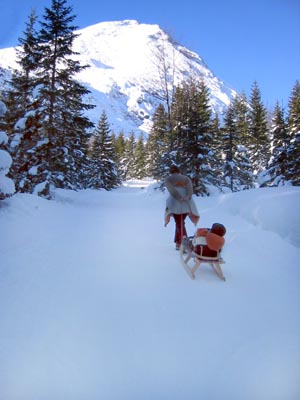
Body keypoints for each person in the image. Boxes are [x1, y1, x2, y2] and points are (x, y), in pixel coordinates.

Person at [164, 165, 200, 250]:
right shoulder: (185, 178)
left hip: (174, 203)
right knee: (180, 222)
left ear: (171, 172)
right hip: (186, 203)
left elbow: (171, 190)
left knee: (179, 223)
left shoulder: (169, 179)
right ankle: (178, 242)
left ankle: (183, 243)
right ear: (178, 171)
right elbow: (190, 189)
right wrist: (187, 196)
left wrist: (178, 197)